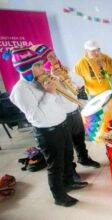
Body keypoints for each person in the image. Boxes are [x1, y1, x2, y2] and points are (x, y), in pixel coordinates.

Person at [7, 47, 87, 207]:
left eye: (41, 64)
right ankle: (59, 196)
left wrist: (58, 86)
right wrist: (49, 93)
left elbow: (57, 102)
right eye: (37, 65)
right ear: (26, 69)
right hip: (48, 132)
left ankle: (69, 182)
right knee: (55, 165)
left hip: (62, 125)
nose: (42, 68)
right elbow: (35, 115)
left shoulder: (39, 81)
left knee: (67, 158)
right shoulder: (20, 90)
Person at [31, 44, 100, 168]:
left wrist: (67, 75)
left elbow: (79, 84)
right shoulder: (43, 79)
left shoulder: (64, 70)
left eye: (54, 56)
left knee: (79, 139)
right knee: (67, 146)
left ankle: (84, 159)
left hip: (75, 110)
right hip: (62, 116)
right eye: (49, 57)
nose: (54, 59)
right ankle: (70, 170)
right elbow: (52, 97)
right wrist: (56, 77)